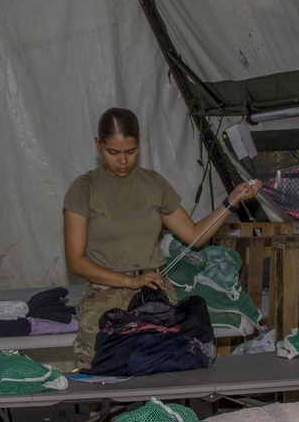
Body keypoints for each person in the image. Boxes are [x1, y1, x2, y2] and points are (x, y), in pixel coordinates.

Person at [63, 107, 262, 370]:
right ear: (98, 145)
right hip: (105, 299)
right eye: (113, 152)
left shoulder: (153, 184)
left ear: (139, 143)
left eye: (130, 151)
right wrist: (129, 281)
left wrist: (231, 201)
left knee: (163, 374)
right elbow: (75, 261)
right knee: (101, 375)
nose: (122, 160)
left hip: (154, 296)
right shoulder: (84, 189)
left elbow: (194, 236)